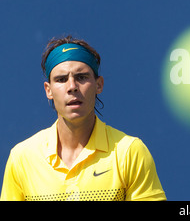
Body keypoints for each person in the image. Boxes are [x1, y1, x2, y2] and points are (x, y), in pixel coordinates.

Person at [0, 35, 166, 201]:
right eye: (61, 79)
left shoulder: (130, 152)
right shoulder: (22, 157)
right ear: (48, 90)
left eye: (81, 77)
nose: (72, 87)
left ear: (98, 85)